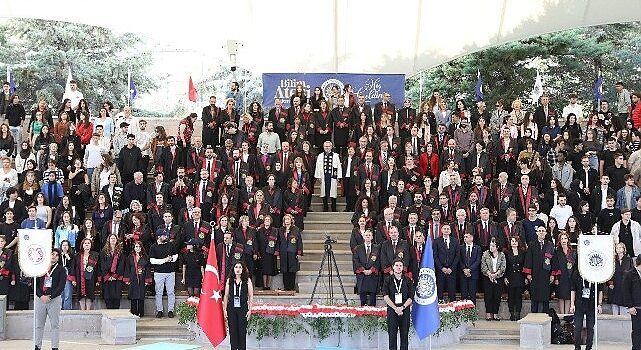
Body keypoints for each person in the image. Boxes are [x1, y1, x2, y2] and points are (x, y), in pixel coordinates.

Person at [34, 248, 66, 350]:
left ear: (58, 257)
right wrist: (41, 296)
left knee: (55, 325)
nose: (54, 256)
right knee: (39, 325)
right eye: (52, 254)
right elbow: (35, 284)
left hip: (54, 300)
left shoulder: (61, 270)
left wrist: (51, 296)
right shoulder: (40, 267)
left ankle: (54, 347)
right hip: (40, 299)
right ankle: (37, 346)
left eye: (57, 255)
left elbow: (61, 286)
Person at [524, 225, 558, 313]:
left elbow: (553, 260)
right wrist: (528, 273)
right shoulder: (532, 244)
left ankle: (545, 317)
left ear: (546, 233)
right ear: (537, 233)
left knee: (545, 298)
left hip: (546, 275)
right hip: (535, 275)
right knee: (534, 297)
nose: (541, 232)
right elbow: (528, 259)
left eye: (543, 231)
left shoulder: (550, 245)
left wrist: (553, 275)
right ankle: (534, 316)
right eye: (539, 231)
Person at [382, 259, 414, 350]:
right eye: (397, 265)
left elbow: (411, 297)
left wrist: (402, 308)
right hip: (392, 310)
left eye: (400, 265)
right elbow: (385, 296)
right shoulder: (387, 280)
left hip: (405, 310)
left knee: (404, 335)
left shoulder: (408, 280)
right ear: (393, 267)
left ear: (403, 267)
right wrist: (395, 308)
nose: (399, 267)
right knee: (392, 335)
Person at [223, 261, 254, 350]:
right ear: (233, 269)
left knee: (242, 331)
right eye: (236, 267)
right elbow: (226, 295)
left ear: (243, 269)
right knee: (233, 331)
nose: (238, 269)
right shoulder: (229, 280)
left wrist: (250, 310)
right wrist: (224, 309)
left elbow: (251, 295)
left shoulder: (247, 280)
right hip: (231, 309)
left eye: (240, 267)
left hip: (243, 308)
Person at [570, 268, 603, 350]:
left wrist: (599, 304)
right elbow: (573, 289)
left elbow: (600, 290)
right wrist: (572, 304)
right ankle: (577, 347)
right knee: (577, 326)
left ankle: (589, 347)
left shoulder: (596, 273)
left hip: (592, 304)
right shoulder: (577, 272)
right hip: (579, 303)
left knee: (590, 327)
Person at [149, 229, 178, 318]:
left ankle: (170, 310)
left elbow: (176, 255)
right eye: (164, 235)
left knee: (170, 292)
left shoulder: (171, 245)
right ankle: (159, 310)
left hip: (170, 272)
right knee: (158, 292)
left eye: (166, 235)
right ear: (159, 236)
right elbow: (152, 260)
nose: (166, 237)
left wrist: (171, 259)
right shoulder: (153, 247)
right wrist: (164, 260)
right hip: (158, 273)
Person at [123, 240, 152, 317]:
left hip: (142, 279)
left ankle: (141, 313)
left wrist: (147, 280)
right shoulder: (130, 257)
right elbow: (127, 268)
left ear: (141, 248)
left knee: (141, 296)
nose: (138, 248)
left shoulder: (145, 257)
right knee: (133, 296)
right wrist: (127, 279)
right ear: (134, 248)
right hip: (133, 278)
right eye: (136, 246)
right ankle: (134, 313)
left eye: (139, 247)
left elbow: (148, 269)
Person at [352, 229, 380, 306]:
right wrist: (363, 270)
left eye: (369, 235)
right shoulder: (358, 248)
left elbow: (379, 260)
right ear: (363, 237)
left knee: (373, 298)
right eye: (366, 235)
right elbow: (355, 260)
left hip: (373, 275)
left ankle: (373, 314)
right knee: (363, 298)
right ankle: (363, 313)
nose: (368, 237)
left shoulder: (377, 248)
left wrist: (371, 270)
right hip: (362, 275)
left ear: (372, 237)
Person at [481, 238, 506, 321]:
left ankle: (495, 313)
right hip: (488, 277)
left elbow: (503, 267)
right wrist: (490, 274)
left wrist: (496, 274)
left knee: (497, 296)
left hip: (498, 278)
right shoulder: (485, 254)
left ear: (497, 247)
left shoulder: (501, 255)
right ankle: (488, 313)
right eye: (490, 245)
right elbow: (483, 266)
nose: (491, 247)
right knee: (488, 296)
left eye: (493, 246)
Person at [314, 141, 343, 212]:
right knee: (324, 192)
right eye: (325, 146)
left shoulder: (335, 155)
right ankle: (325, 207)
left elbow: (339, 166)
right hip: (323, 176)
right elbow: (317, 166)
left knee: (333, 192)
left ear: (331, 147)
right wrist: (318, 176)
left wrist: (339, 176)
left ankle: (333, 207)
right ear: (323, 147)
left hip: (332, 176)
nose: (327, 148)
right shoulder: (320, 155)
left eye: (328, 146)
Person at [99, 233, 124, 309]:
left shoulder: (121, 252)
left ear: (117, 240)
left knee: (116, 298)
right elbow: (102, 264)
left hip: (117, 278)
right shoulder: (103, 252)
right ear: (108, 240)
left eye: (114, 238)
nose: (113, 240)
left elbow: (121, 265)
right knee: (108, 297)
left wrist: (114, 276)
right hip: (107, 278)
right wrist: (108, 276)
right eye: (111, 238)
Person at [622, 254, 641, 350]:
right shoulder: (630, 274)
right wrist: (630, 306)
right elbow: (626, 291)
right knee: (637, 330)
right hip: (636, 308)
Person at [459, 232, 481, 304]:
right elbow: (459, 260)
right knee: (463, 295)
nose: (465, 238)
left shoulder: (477, 248)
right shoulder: (461, 248)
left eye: (467, 237)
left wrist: (469, 270)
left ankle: (473, 314)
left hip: (473, 274)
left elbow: (478, 261)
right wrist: (464, 270)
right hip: (463, 274)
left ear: (471, 238)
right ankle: (463, 313)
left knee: (472, 295)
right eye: (464, 237)